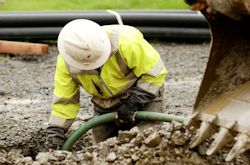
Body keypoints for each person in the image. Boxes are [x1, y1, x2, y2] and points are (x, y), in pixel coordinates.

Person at [47, 19, 167, 151]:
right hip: (105, 104)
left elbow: (154, 73)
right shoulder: (66, 62)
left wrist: (133, 102)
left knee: (147, 142)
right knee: (102, 150)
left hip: (142, 94)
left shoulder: (126, 41)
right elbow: (65, 101)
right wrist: (56, 133)